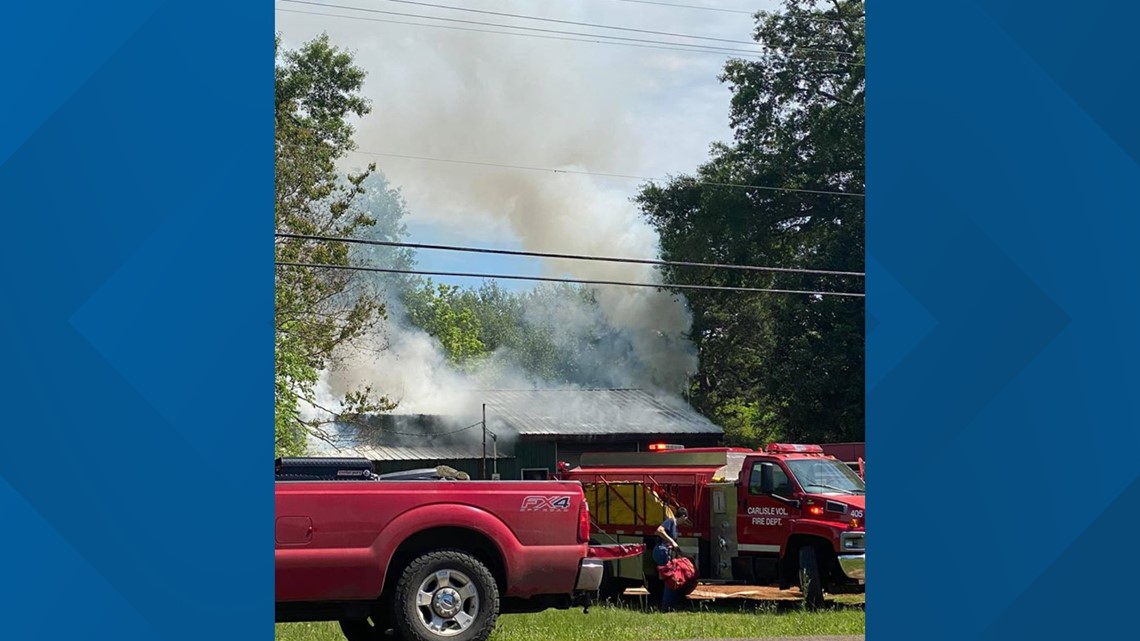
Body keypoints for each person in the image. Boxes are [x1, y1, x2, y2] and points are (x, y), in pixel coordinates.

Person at [653, 507, 688, 612]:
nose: (685, 522)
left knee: (667, 579)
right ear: (683, 516)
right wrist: (672, 541)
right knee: (670, 579)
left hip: (665, 551)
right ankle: (666, 606)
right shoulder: (671, 521)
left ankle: (666, 603)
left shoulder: (675, 526)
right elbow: (659, 530)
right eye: (685, 519)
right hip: (661, 551)